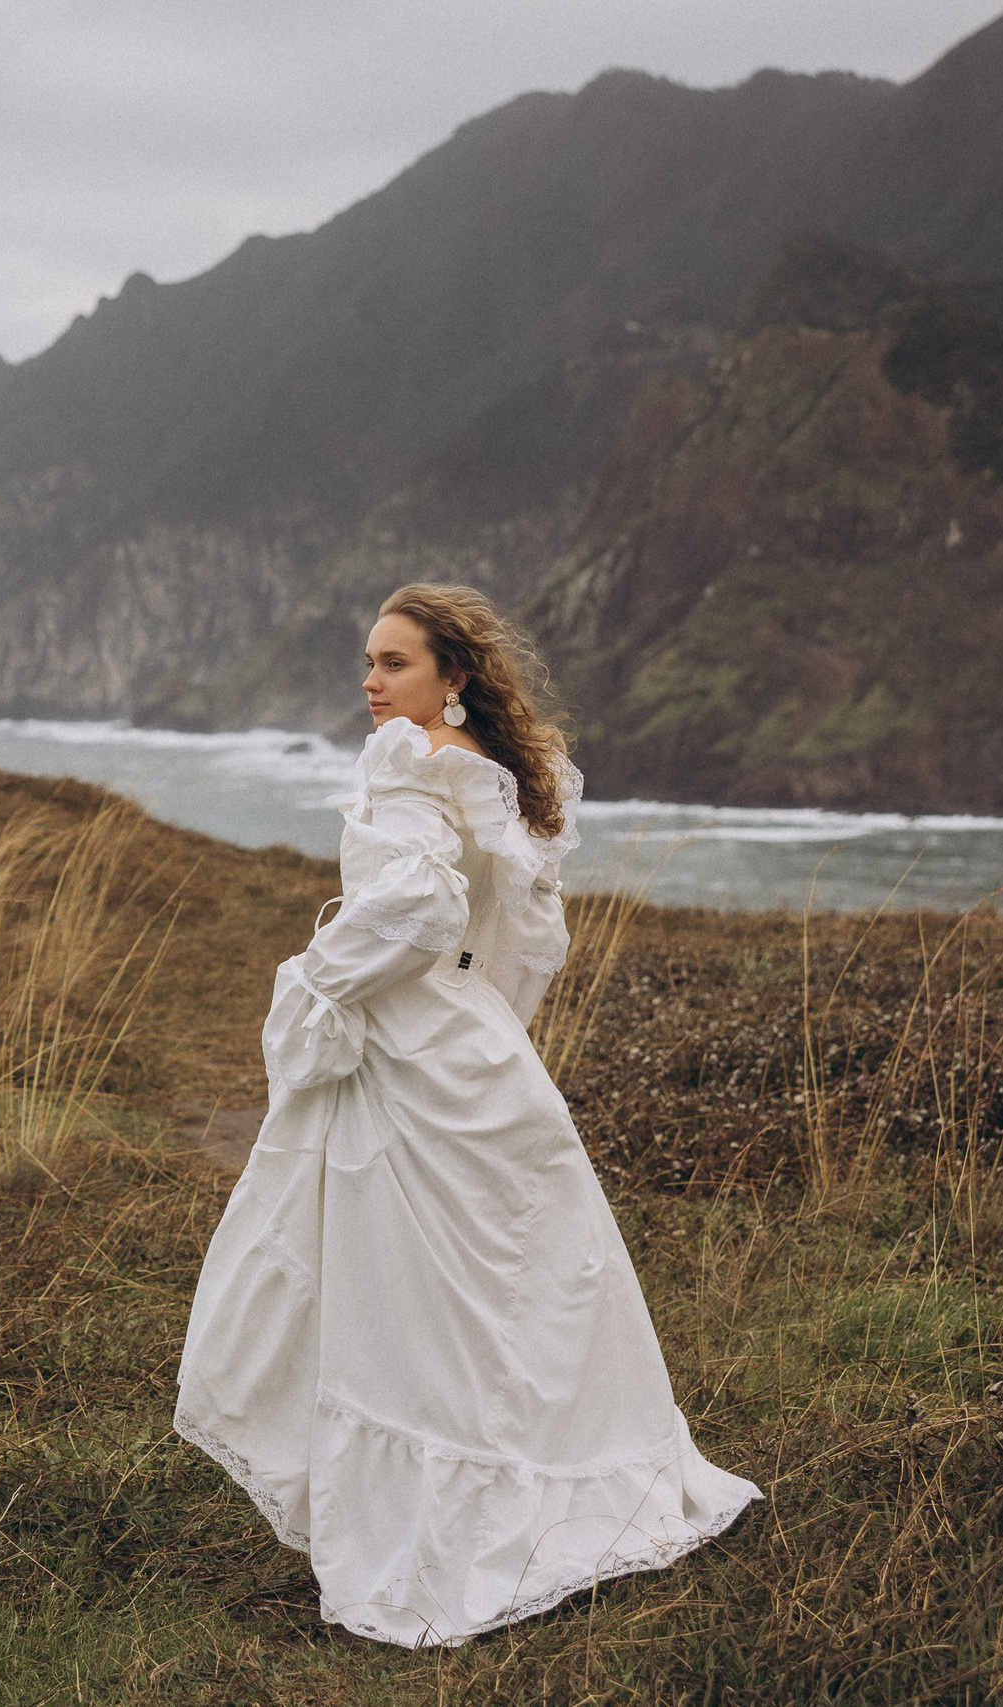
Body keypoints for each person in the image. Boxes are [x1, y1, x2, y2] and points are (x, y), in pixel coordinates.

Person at [172, 583, 756, 1647]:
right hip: (476, 1046)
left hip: (411, 1049)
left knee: (405, 1296)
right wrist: (482, 1027)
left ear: (454, 678)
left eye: (394, 663)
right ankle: (544, 1486)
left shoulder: (403, 762)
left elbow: (419, 907)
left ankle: (441, 1523)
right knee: (508, 1286)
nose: (370, 683)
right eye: (368, 662)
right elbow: (524, 944)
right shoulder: (494, 779)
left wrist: (318, 979)